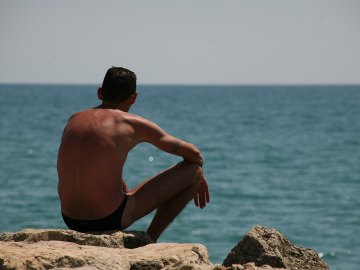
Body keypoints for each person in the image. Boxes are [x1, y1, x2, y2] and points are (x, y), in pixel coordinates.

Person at [57, 66, 210, 242]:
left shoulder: (74, 119)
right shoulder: (131, 123)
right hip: (106, 219)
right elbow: (195, 154)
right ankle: (149, 240)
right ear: (133, 98)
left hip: (70, 218)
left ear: (100, 92)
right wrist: (200, 176)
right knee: (193, 171)